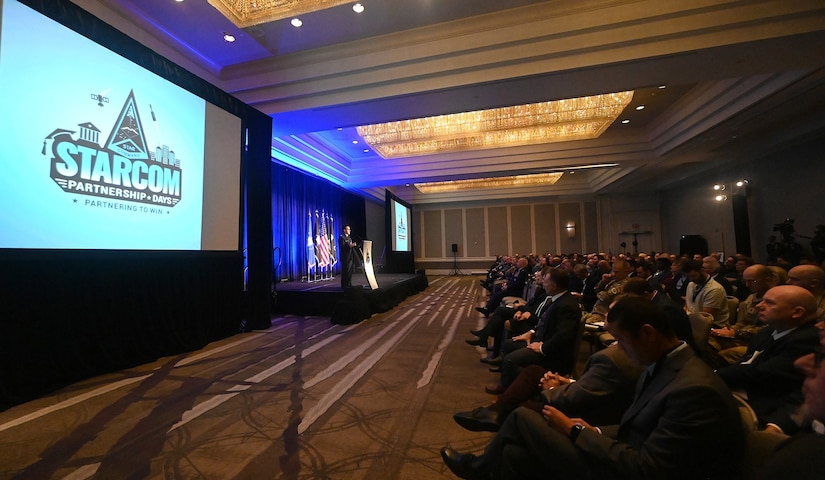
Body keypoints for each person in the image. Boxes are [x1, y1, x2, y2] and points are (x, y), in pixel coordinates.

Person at [440, 296, 744, 480]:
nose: (619, 349)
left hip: (626, 472)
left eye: (621, 341)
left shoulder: (694, 389)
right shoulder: (668, 365)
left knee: (522, 419)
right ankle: (483, 464)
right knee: (513, 453)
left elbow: (649, 470)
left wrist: (576, 432)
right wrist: (592, 431)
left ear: (648, 333)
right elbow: (637, 428)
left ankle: (479, 466)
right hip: (621, 452)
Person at [452, 342, 642, 432]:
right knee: (534, 371)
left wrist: (552, 390)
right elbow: (593, 386)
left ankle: (498, 417)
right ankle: (496, 410)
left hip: (592, 412)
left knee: (522, 409)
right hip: (586, 391)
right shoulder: (622, 353)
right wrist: (565, 381)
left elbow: (591, 396)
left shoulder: (617, 359)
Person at [716, 285, 820, 435]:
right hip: (742, 390)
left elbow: (760, 373)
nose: (759, 306)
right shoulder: (769, 330)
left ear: (797, 312)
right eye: (762, 300)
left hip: (763, 403)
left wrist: (712, 375)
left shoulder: (808, 339)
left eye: (769, 303)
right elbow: (747, 363)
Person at [485, 269, 580, 395]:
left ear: (554, 286)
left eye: (545, 282)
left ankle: (517, 388)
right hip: (542, 341)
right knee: (509, 344)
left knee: (510, 360)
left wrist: (541, 347)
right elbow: (543, 321)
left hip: (553, 354)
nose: (542, 284)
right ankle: (510, 383)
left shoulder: (567, 305)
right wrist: (531, 332)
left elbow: (563, 336)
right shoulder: (556, 299)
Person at [757, 319, 825, 479]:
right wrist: (777, 425)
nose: (801, 363)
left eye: (822, 356)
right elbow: (800, 402)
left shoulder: (800, 460)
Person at [708, 264, 776, 367]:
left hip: (760, 341)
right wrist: (729, 330)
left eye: (752, 281)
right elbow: (742, 322)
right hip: (742, 335)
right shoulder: (751, 297)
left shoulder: (776, 299)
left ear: (768, 279)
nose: (747, 285)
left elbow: (768, 328)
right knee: (707, 341)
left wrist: (736, 333)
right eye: (746, 281)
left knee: (725, 354)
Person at [683, 259, 730, 328]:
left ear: (702, 270)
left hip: (714, 327)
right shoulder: (691, 285)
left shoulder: (714, 289)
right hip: (694, 322)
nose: (691, 279)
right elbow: (687, 305)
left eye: (693, 276)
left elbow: (706, 318)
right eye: (688, 277)